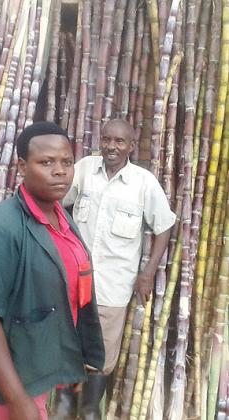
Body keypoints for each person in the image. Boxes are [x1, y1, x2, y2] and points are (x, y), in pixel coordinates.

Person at [0, 121, 105, 420]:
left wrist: (71, 359)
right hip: (4, 386)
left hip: (38, 371)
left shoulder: (62, 218)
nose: (60, 170)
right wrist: (16, 399)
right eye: (46, 162)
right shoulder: (2, 226)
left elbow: (69, 294)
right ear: (22, 166)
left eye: (66, 162)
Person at [63, 119, 176, 419]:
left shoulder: (143, 182)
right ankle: (65, 406)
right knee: (68, 342)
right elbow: (60, 203)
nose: (112, 146)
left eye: (119, 141)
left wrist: (148, 272)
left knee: (101, 354)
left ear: (131, 146)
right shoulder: (85, 169)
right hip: (75, 280)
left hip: (114, 286)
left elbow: (163, 226)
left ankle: (89, 410)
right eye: (107, 139)